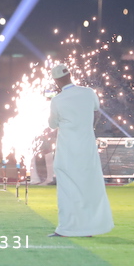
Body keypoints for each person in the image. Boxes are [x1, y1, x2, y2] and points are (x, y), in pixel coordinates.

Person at [47, 63, 113, 237]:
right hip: (87, 146)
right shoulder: (88, 92)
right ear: (70, 75)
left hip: (67, 149)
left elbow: (52, 124)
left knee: (67, 190)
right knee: (88, 186)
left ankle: (67, 228)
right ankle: (89, 227)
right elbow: (96, 109)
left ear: (56, 81)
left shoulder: (57, 100)